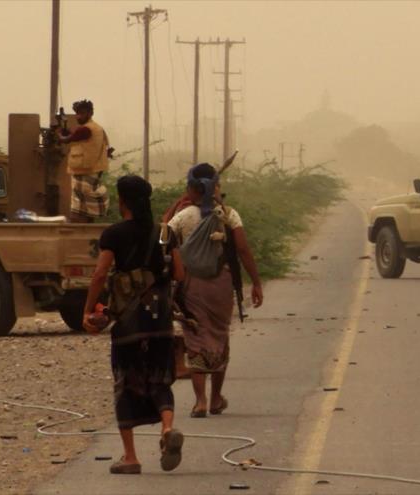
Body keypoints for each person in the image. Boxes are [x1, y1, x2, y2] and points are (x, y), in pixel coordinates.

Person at [82, 175, 185, 475]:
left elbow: (100, 274)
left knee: (126, 384)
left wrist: (88, 310)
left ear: (122, 200)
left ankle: (131, 457)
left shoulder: (113, 234)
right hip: (161, 321)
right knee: (160, 381)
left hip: (128, 324)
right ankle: (167, 430)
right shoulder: (165, 233)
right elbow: (179, 273)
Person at [167, 163, 264, 418]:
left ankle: (199, 401)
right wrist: (256, 282)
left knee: (196, 337)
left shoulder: (183, 216)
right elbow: (243, 250)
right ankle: (216, 398)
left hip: (191, 285)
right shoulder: (229, 215)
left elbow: (162, 242)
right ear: (215, 188)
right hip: (221, 283)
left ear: (191, 189)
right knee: (220, 336)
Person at [59, 99, 112, 223]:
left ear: (90, 113)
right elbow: (77, 137)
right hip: (93, 170)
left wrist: (59, 134)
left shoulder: (86, 129)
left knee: (79, 208)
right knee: (87, 209)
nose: (78, 116)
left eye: (81, 113)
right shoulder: (97, 128)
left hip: (84, 171)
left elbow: (66, 140)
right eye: (77, 113)